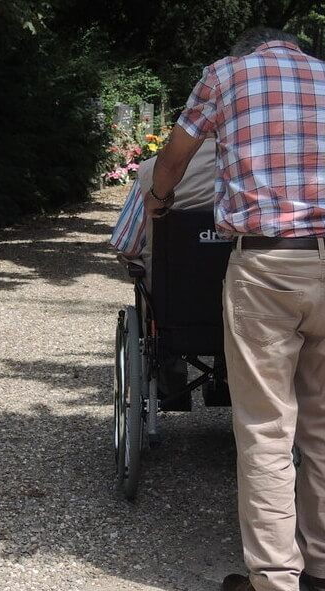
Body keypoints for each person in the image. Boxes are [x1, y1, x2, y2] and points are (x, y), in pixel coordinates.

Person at [144, 28, 325, 591]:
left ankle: (275, 586)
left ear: (250, 51)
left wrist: (159, 203)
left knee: (268, 425)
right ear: (296, 48)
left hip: (268, 261)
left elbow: (173, 158)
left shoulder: (225, 75)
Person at [110, 138, 217, 410]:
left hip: (172, 309)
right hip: (244, 306)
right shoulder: (256, 171)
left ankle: (171, 383)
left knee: (155, 288)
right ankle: (227, 384)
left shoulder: (151, 171)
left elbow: (127, 244)